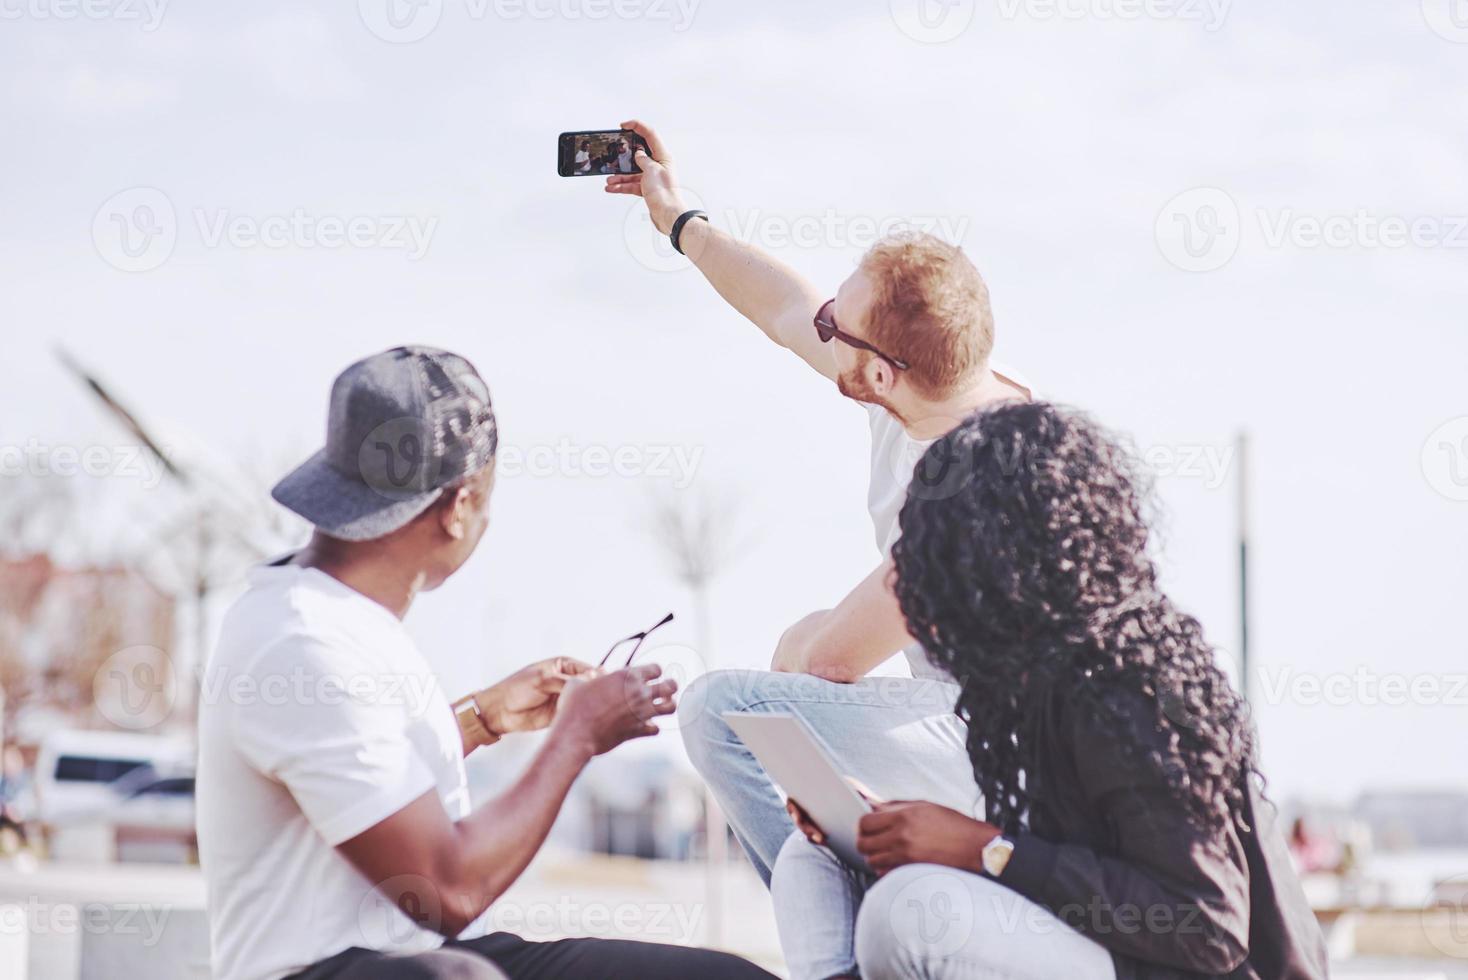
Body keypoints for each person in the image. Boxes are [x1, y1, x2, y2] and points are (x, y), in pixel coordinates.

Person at [196, 346, 776, 980]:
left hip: (410, 954)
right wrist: (575, 737)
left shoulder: (326, 611)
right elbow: (447, 889)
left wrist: (484, 718)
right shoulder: (305, 643)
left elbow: (360, 770)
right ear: (459, 507)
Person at [606, 119, 1032, 884]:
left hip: (1011, 757)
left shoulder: (979, 485)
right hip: (954, 720)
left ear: (881, 374)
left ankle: (845, 945)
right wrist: (678, 219)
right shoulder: (936, 386)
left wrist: (795, 642)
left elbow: (833, 657)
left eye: (841, 327)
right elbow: (782, 306)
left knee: (723, 712)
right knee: (784, 737)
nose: (823, 326)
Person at [772, 402, 1330, 980]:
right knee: (810, 859)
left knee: (908, 910)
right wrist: (906, 824)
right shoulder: (1024, 681)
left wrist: (986, 849)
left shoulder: (1130, 687)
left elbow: (1206, 926)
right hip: (1099, 943)